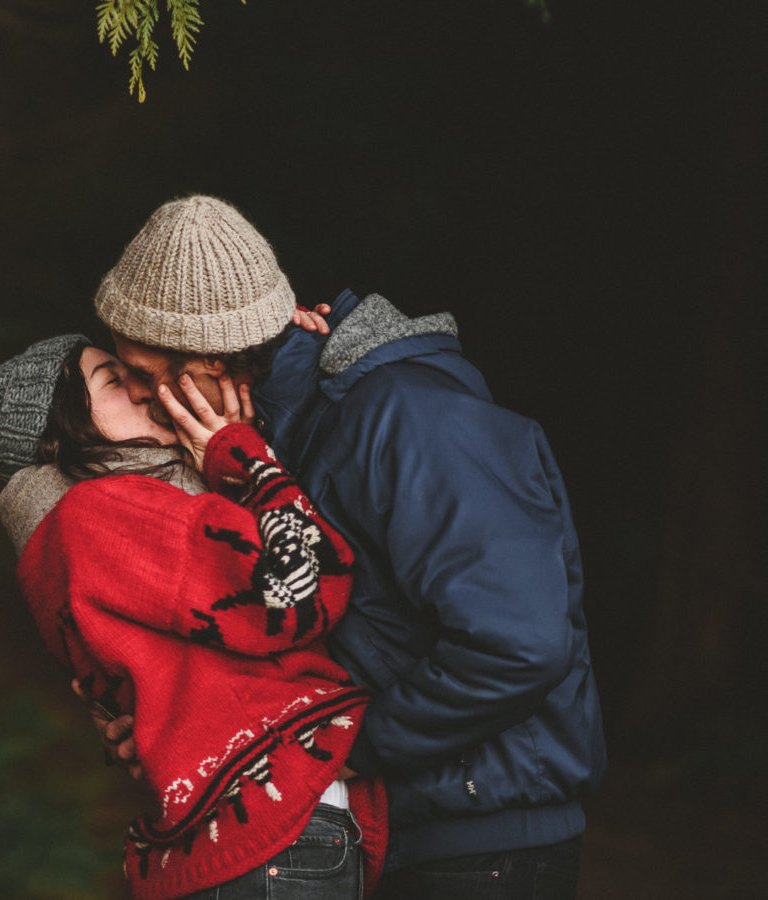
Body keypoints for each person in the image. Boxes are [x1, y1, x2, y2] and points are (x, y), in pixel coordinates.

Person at [85, 194, 607, 899]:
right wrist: (180, 723)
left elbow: (516, 643)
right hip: (375, 836)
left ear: (220, 356)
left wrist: (341, 751)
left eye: (150, 375)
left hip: (477, 846)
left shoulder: (411, 418)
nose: (144, 400)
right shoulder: (266, 441)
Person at [0, 334, 388, 899]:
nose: (144, 390)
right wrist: (243, 454)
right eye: (112, 381)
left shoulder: (69, 535)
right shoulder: (104, 513)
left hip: (252, 841)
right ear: (57, 436)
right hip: (275, 829)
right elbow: (307, 585)